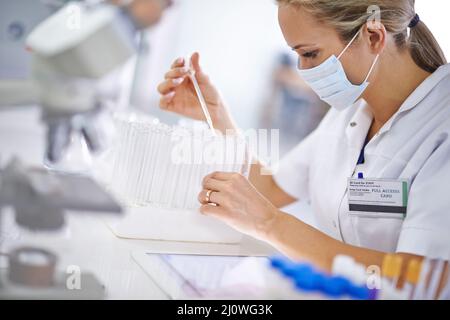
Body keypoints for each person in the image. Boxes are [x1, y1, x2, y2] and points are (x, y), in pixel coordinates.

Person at [156, 0, 450, 274]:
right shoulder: (350, 111)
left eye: (309, 54)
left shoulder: (441, 128)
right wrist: (217, 115)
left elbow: (425, 278)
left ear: (373, 36)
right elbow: (270, 188)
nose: (302, 70)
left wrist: (271, 224)